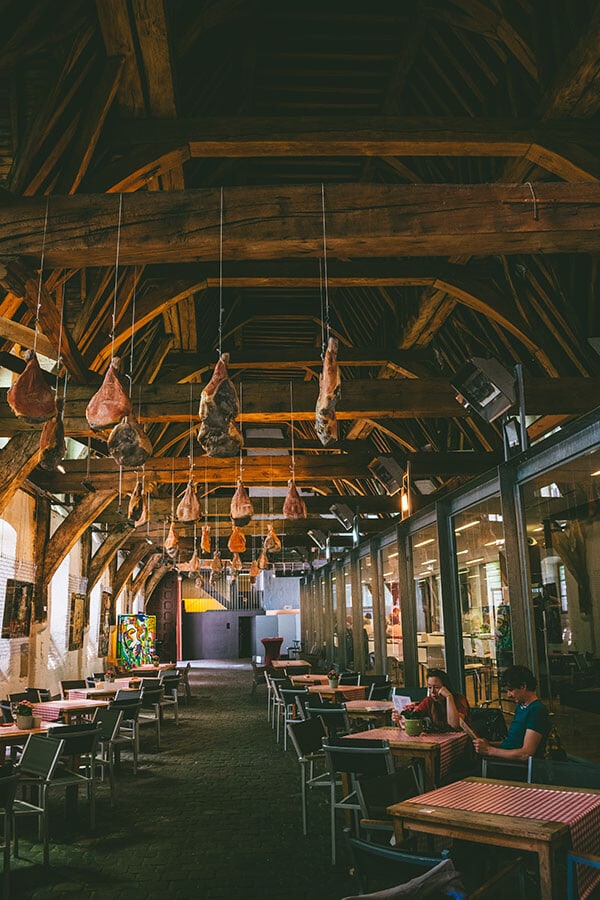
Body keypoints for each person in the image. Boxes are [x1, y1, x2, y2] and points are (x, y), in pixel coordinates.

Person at [473, 665, 550, 761]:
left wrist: (489, 750)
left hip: (515, 766)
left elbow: (526, 754)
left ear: (523, 687)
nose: (508, 695)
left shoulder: (536, 711)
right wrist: (489, 744)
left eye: (510, 690)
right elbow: (512, 743)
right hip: (508, 759)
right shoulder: (521, 707)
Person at [392, 668, 471, 732]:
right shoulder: (429, 701)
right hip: (441, 740)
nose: (432, 691)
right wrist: (399, 720)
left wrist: (449, 697)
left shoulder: (459, 699)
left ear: (445, 687)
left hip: (464, 742)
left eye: (436, 687)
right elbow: (413, 719)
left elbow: (454, 725)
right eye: (429, 687)